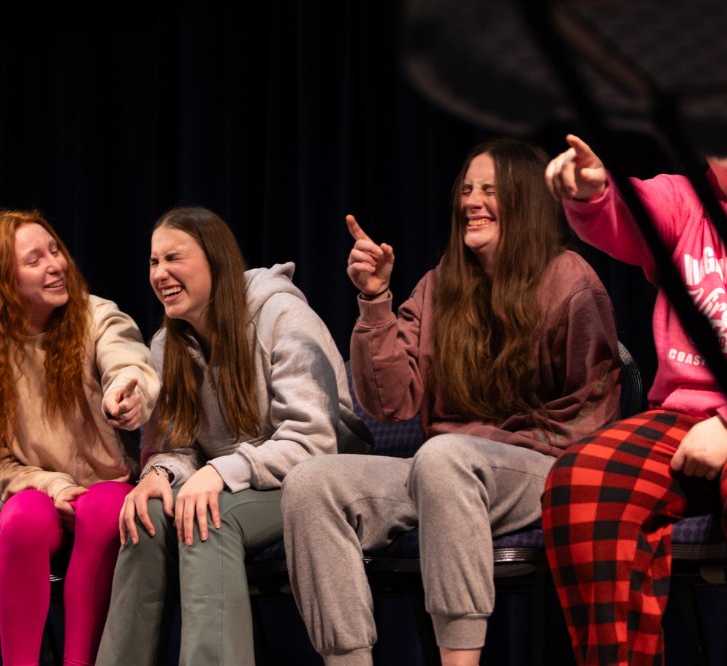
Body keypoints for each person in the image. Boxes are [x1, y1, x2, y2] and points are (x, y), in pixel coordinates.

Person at [282, 138, 622, 666]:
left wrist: (486, 446)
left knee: (445, 457)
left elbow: (593, 409)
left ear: (527, 200)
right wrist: (375, 300)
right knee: (311, 484)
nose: (472, 201)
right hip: (444, 474)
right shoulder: (441, 285)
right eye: (466, 189)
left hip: (544, 469)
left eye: (489, 189)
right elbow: (390, 403)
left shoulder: (570, 280)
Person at [96, 206, 371, 666]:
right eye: (153, 261)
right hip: (238, 482)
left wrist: (221, 472)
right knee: (147, 515)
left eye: (174, 258)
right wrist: (160, 473)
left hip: (318, 483)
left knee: (208, 518)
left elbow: (313, 442)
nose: (160, 273)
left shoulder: (282, 316)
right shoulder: (167, 344)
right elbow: (177, 445)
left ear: (216, 260)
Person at [541, 135, 727, 665]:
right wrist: (594, 193)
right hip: (681, 422)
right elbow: (631, 213)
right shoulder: (686, 202)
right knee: (583, 481)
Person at [0, 209, 158, 666]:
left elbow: (129, 363)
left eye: (55, 251)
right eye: (35, 260)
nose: (55, 265)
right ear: (1, 282)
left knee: (104, 512)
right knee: (21, 520)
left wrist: (127, 392)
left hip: (106, 487)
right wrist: (53, 485)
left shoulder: (96, 317)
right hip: (39, 493)